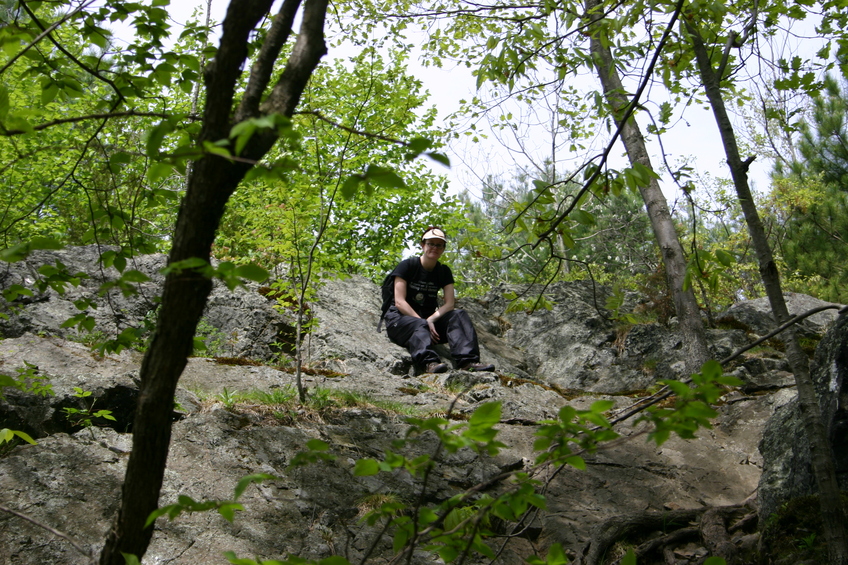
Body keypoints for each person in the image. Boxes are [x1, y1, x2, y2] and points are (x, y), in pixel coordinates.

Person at [383, 226, 495, 374]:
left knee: (458, 315)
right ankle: (429, 363)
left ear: (443, 248)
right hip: (400, 321)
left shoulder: (443, 271)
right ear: (423, 245)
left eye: (439, 245)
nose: (434, 248)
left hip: (427, 323)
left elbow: (449, 304)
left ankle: (468, 361)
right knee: (419, 324)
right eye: (431, 243)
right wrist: (423, 323)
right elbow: (399, 302)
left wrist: (430, 320)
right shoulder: (407, 266)